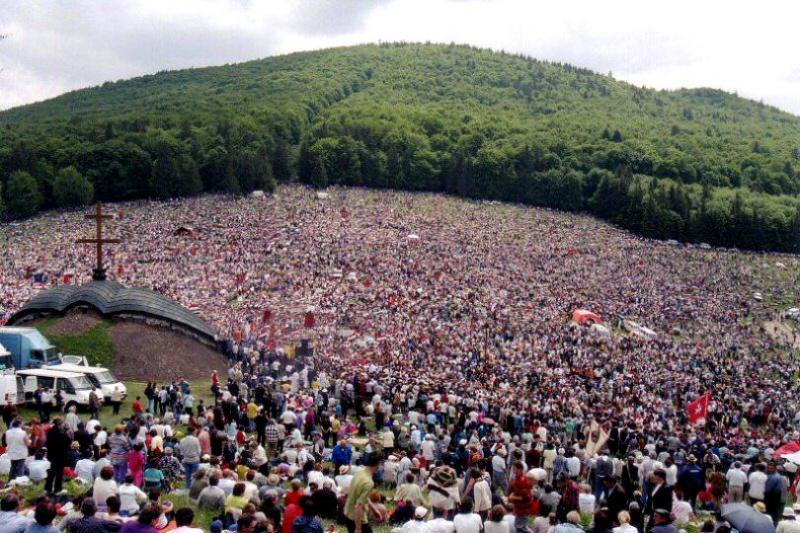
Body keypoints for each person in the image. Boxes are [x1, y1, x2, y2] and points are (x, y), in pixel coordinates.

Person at [344, 453, 381, 533]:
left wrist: (374, 510)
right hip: (358, 519)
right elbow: (358, 506)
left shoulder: (359, 473)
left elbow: (362, 496)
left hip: (347, 513)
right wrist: (358, 528)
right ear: (378, 464)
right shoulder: (368, 482)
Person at [44, 417, 70, 495]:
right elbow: (68, 441)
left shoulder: (50, 431)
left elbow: (48, 442)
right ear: (60, 424)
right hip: (60, 455)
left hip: (52, 455)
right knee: (59, 472)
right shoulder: (62, 432)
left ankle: (48, 488)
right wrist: (66, 431)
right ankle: (57, 489)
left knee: (51, 471)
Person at [508, 461, 532, 532]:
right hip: (519, 508)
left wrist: (512, 497)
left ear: (520, 469)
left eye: (514, 468)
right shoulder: (517, 478)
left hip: (523, 509)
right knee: (520, 526)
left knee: (519, 527)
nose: (513, 470)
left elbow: (525, 497)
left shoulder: (522, 480)